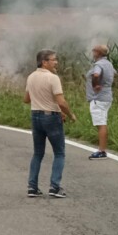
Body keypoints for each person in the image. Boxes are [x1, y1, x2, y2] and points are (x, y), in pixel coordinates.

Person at [24, 49, 77, 198]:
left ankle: (32, 187)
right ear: (44, 62)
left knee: (38, 153)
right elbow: (61, 102)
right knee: (59, 153)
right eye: (53, 60)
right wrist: (70, 114)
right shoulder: (53, 78)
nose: (56, 62)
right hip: (51, 117)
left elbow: (26, 99)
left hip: (35, 116)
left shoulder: (31, 77)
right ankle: (55, 186)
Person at [85, 44, 116, 160]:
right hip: (107, 97)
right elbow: (115, 74)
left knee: (101, 124)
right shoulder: (108, 64)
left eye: (94, 51)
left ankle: (102, 151)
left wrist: (96, 84)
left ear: (98, 53)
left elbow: (96, 74)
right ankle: (102, 149)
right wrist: (107, 85)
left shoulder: (98, 64)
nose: (92, 53)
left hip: (98, 98)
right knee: (102, 122)